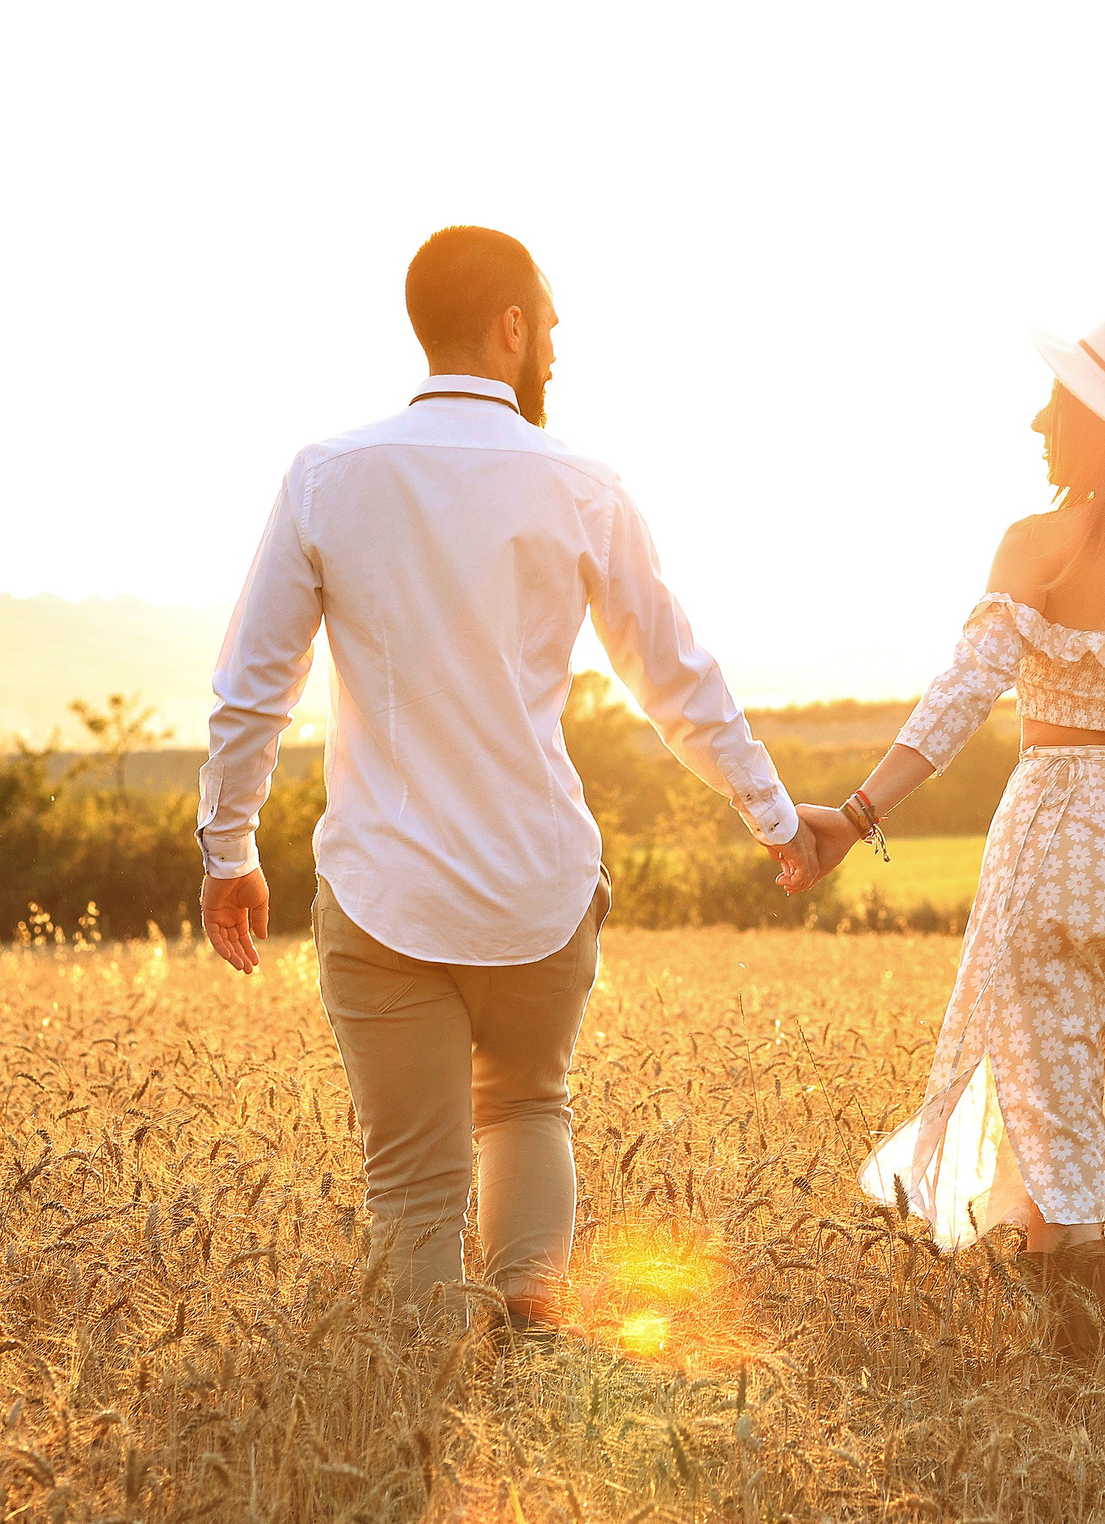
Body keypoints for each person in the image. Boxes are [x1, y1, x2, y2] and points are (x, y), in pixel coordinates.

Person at [195, 225, 818, 1335]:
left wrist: (228, 848)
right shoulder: (583, 485)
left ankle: (424, 1398)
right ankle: (532, 1354)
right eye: (554, 328)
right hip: (540, 889)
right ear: (513, 326)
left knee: (411, 1188)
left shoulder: (328, 475)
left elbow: (255, 689)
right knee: (529, 1106)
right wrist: (773, 816)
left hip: (384, 894)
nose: (558, 352)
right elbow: (675, 678)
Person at [796, 303, 1105, 1357]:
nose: (1037, 423)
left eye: (1056, 405)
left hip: (1051, 847)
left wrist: (854, 816)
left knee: (1058, 1131)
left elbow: (959, 697)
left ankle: (1072, 1384)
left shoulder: (1035, 545)